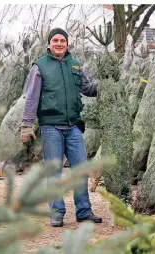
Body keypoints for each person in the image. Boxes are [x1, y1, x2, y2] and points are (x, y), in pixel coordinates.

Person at [20, 28, 102, 227]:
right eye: (55, 40)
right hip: (51, 127)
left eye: (62, 40)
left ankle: (83, 211)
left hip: (73, 125)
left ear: (67, 44)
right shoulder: (39, 67)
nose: (59, 43)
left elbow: (88, 88)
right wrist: (26, 125)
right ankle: (57, 213)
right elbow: (31, 97)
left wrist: (105, 84)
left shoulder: (75, 65)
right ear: (49, 44)